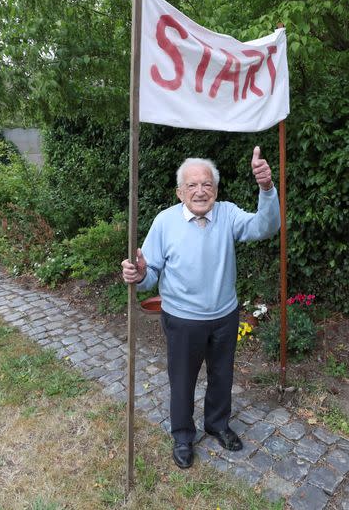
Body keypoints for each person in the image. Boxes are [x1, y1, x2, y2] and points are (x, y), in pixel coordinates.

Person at [122, 146, 280, 469]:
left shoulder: (228, 213)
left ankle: (217, 424)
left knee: (222, 375)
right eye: (192, 185)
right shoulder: (165, 222)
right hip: (182, 319)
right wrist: (138, 273)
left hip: (224, 315)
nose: (200, 190)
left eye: (206, 184)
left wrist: (266, 189)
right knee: (182, 379)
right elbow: (148, 274)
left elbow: (266, 227)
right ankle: (182, 435)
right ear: (180, 192)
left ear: (216, 190)